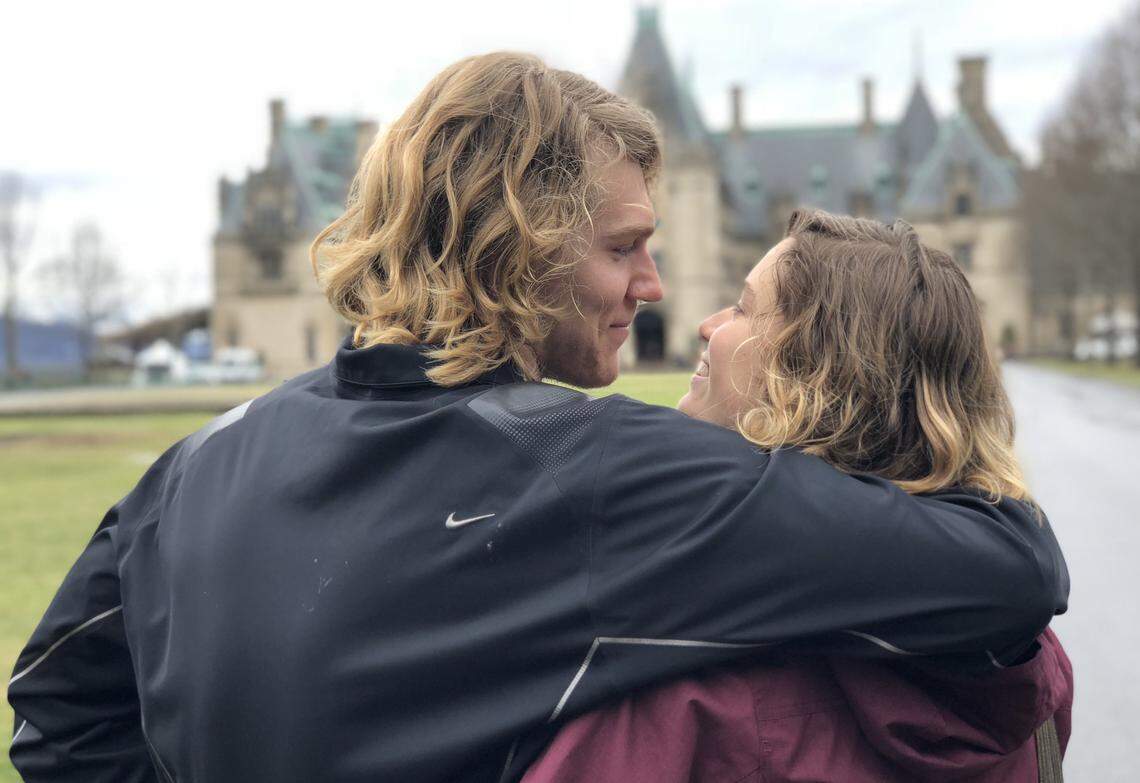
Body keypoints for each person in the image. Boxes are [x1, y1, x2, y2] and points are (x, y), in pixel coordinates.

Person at [8, 54, 1067, 783]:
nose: (653, 287)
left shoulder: (198, 461)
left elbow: (55, 708)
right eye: (621, 247)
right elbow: (1011, 574)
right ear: (514, 246)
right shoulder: (608, 476)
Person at [523, 209, 1074, 783]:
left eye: (742, 307)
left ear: (813, 369)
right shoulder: (1027, 660)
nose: (707, 325)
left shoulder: (686, 703)